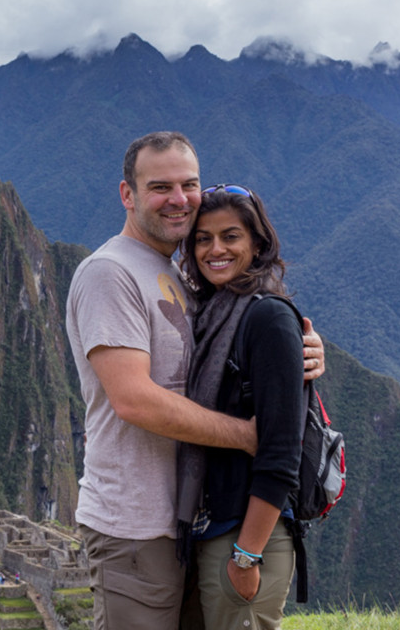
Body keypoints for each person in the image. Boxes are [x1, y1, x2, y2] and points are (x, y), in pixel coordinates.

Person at [65, 132, 324, 629]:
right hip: (135, 525)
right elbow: (134, 400)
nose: (179, 200)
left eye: (189, 185)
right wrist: (248, 435)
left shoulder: (184, 280)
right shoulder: (109, 273)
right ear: (128, 194)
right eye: (160, 186)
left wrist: (303, 351)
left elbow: (247, 349)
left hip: (190, 524)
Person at [179, 185, 305, 629]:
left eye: (230, 237)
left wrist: (246, 557)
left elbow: (281, 453)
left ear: (257, 243)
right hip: (208, 531)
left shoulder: (267, 319)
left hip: (246, 536)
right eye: (202, 238)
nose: (215, 249)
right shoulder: (207, 315)